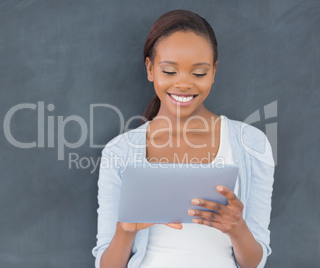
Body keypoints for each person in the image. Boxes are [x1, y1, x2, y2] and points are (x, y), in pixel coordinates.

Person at [92, 9, 275, 268]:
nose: (183, 84)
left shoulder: (251, 144)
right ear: (150, 69)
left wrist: (238, 229)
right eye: (169, 71)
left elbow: (255, 262)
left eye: (198, 73)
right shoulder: (119, 151)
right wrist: (126, 230)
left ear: (213, 72)